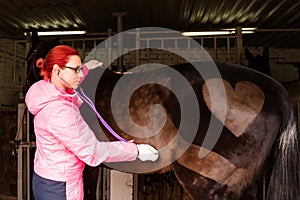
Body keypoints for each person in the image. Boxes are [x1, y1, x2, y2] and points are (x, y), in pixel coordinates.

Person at [25, 45, 159, 200]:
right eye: (76, 69)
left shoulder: (44, 90)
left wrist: (86, 68)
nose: (79, 74)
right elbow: (92, 153)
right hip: (61, 188)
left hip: (47, 177)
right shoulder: (60, 112)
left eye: (80, 68)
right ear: (57, 70)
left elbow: (66, 80)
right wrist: (136, 151)